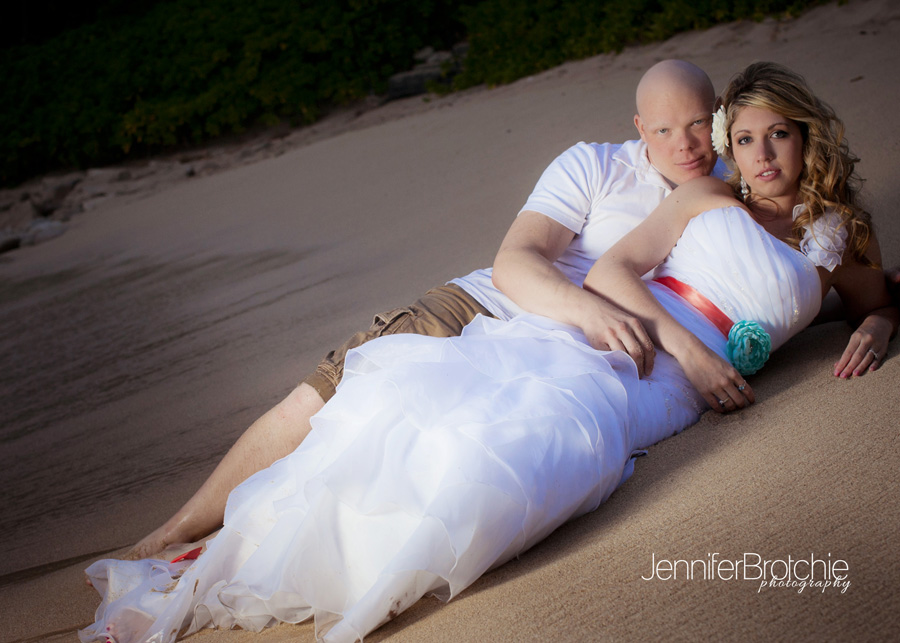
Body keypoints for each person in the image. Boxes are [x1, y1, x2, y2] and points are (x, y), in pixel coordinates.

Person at [81, 62, 896, 643]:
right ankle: (193, 543)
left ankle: (375, 553)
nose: (752, 153)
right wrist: (666, 340)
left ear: (796, 135)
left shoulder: (823, 228)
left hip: (640, 362)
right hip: (553, 313)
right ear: (640, 128)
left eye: (769, 135)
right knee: (358, 397)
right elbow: (541, 262)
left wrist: (877, 322)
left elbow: (869, 297)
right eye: (742, 137)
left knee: (533, 450)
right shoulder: (678, 184)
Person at [126, 59, 727, 560]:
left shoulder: (734, 187)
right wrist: (592, 313)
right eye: (665, 129)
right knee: (326, 395)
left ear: (718, 115)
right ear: (639, 126)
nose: (685, 145)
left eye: (698, 124)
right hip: (481, 310)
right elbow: (514, 263)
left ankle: (245, 549)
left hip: (548, 365)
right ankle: (178, 529)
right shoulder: (594, 166)